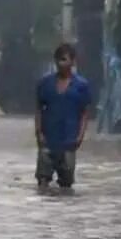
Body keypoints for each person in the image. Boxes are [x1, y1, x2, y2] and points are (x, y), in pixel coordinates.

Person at [34, 42, 91, 190]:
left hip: (69, 140)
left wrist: (80, 136)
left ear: (72, 61)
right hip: (48, 140)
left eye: (64, 59)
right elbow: (39, 109)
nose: (61, 63)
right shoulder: (45, 83)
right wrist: (39, 132)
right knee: (42, 181)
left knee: (66, 185)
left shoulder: (81, 85)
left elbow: (84, 112)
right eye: (58, 59)